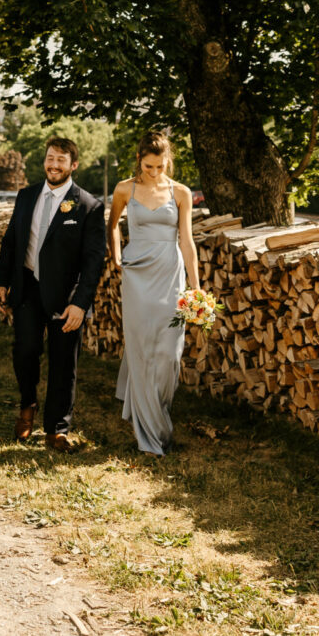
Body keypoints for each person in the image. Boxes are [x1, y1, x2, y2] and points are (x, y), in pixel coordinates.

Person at [0, 137, 106, 452]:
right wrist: (2, 282)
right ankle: (27, 404)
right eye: (50, 158)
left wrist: (80, 304)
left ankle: (56, 429)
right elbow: (11, 241)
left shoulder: (88, 205)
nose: (54, 165)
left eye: (61, 160)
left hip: (66, 296)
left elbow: (93, 261)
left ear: (74, 165)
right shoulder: (26, 196)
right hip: (27, 287)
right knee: (25, 350)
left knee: (63, 362)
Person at [108, 132, 199, 456]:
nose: (154, 172)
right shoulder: (124, 188)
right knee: (142, 349)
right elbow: (113, 224)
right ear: (139, 161)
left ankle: (155, 414)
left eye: (160, 166)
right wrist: (117, 254)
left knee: (168, 354)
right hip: (137, 275)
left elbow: (187, 241)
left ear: (167, 162)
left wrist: (196, 287)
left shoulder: (181, 193)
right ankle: (152, 432)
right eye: (148, 166)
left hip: (169, 273)